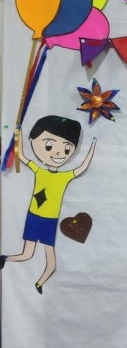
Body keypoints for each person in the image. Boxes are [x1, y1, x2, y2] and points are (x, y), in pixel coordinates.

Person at [0, 115, 97, 294]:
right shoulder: (39, 171)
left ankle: (39, 283)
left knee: (50, 260)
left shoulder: (65, 176)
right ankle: (4, 259)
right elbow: (21, 155)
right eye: (49, 146)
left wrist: (92, 146)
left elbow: (82, 167)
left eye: (67, 149)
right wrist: (18, 133)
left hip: (49, 220)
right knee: (27, 254)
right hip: (34, 216)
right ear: (33, 140)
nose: (58, 154)